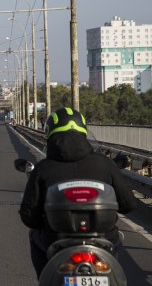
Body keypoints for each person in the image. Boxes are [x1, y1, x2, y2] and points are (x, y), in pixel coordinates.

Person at [19, 107, 136, 279]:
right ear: (84, 131)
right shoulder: (105, 164)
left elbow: (29, 217)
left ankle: (45, 279)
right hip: (103, 239)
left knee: (33, 235)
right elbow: (128, 205)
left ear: (50, 133)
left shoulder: (43, 168)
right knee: (116, 243)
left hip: (55, 240)